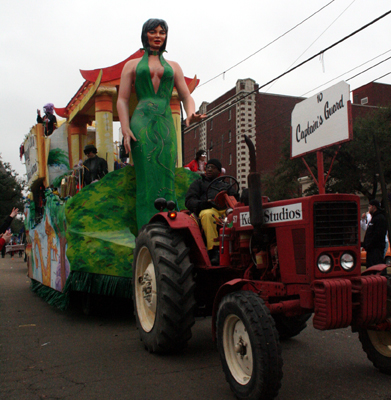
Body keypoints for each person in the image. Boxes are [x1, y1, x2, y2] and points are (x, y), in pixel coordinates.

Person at [117, 18, 206, 231]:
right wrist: (126, 128)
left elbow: (186, 95)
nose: (158, 36)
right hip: (141, 123)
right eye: (153, 31)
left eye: (162, 32)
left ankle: (169, 227)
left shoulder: (174, 67)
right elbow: (122, 99)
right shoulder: (131, 65)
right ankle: (145, 231)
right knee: (146, 178)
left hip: (166, 125)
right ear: (144, 34)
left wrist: (191, 113)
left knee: (167, 173)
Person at [185, 159, 238, 265]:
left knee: (237, 216)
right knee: (208, 214)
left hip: (225, 211)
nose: (209, 169)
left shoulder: (227, 186)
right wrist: (201, 204)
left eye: (212, 167)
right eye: (207, 167)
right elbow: (189, 201)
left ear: (219, 171)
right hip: (210, 210)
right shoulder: (198, 184)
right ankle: (214, 251)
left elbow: (236, 199)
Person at [362, 199, 387, 268]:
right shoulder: (374, 218)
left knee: (376, 266)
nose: (368, 208)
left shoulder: (379, 218)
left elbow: (378, 234)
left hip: (376, 249)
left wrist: (370, 244)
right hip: (371, 249)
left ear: (374, 207)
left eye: (369, 206)